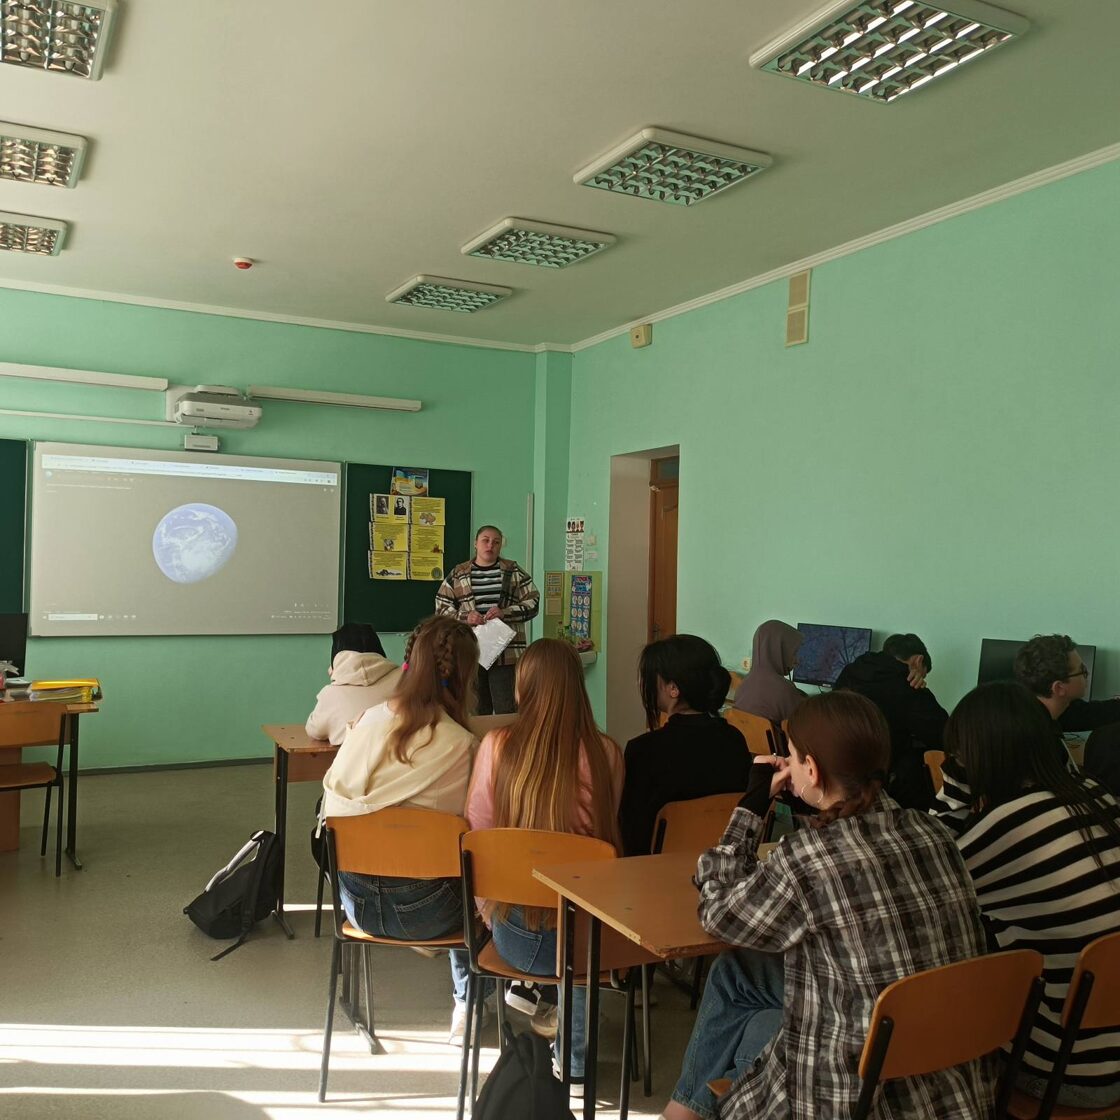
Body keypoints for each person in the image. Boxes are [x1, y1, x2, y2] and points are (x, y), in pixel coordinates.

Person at [665, 691, 992, 1120]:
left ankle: (681, 1112)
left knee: (739, 982)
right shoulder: (935, 833)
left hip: (857, 1094)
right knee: (745, 980)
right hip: (951, 1077)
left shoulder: (807, 859)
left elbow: (718, 914)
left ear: (812, 769)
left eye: (793, 756)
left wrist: (751, 805)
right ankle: (683, 1110)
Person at [935, 682, 1120, 1110]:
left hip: (1068, 1073)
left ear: (973, 758)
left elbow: (928, 878)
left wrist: (956, 788)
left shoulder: (1001, 833)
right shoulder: (1098, 796)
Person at [464, 638, 623, 1090]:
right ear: (577, 686)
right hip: (595, 940)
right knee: (577, 941)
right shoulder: (608, 752)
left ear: (523, 687)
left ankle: (536, 992)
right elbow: (604, 841)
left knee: (545, 925)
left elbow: (477, 839)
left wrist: (488, 912)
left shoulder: (498, 745)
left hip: (518, 938)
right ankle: (574, 1060)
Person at [318, 614, 479, 1036]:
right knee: (479, 870)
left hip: (355, 904)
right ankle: (468, 1004)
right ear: (465, 675)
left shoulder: (365, 722)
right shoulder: (462, 744)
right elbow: (476, 829)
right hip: (429, 911)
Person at [619, 634, 752, 856]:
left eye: (648, 677)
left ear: (673, 688)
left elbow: (633, 834)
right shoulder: (734, 739)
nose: (640, 683)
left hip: (656, 869)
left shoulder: (644, 750)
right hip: (723, 864)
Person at [834, 632, 948, 809]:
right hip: (881, 781)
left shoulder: (850, 671)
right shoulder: (909, 688)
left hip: (839, 767)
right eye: (924, 674)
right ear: (918, 661)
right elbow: (945, 735)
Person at [434, 524, 540, 715]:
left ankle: (505, 737)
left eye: (496, 542)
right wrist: (466, 617)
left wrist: (505, 612)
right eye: (486, 540)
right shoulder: (459, 573)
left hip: (507, 655)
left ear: (500, 546)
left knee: (507, 709)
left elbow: (533, 602)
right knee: (475, 710)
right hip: (471, 653)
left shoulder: (513, 571)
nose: (490, 545)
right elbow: (441, 608)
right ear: (476, 543)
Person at [305, 626, 401, 745]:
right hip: (402, 754)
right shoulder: (405, 680)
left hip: (353, 756)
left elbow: (314, 730)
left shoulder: (330, 694)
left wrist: (337, 676)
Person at [731, 619, 804, 724]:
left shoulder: (743, 686)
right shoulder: (784, 690)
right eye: (793, 653)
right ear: (779, 650)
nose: (797, 661)